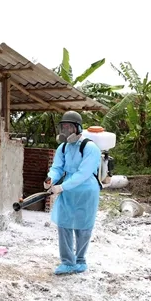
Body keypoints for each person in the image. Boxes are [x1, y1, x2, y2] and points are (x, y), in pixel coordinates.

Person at [44, 111, 101, 275]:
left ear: (78, 128)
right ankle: (68, 262)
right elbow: (57, 167)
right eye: (63, 127)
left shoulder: (90, 148)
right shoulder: (63, 147)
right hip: (68, 191)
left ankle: (80, 260)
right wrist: (50, 178)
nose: (66, 130)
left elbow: (83, 174)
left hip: (86, 190)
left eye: (69, 127)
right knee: (64, 224)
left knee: (83, 227)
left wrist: (62, 187)